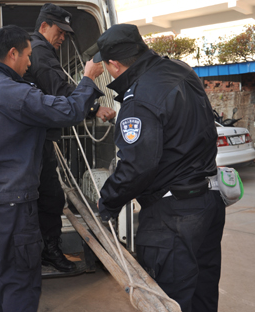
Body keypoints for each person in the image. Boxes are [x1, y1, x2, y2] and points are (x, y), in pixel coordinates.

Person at [0, 25, 104, 312]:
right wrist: (87, 79)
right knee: (20, 282)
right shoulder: (18, 94)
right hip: (12, 206)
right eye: (27, 55)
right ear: (12, 54)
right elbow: (70, 110)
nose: (30, 62)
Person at [95, 24, 226, 312]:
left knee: (169, 300)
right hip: (208, 202)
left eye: (107, 67)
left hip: (173, 216)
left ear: (114, 64)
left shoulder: (139, 97)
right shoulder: (181, 70)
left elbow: (137, 166)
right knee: (203, 294)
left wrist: (106, 203)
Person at [23, 3, 116, 272]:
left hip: (36, 139)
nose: (63, 37)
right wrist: (95, 105)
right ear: (43, 27)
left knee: (45, 197)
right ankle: (49, 252)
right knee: (50, 197)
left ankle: (43, 250)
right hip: (35, 142)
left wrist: (92, 106)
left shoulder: (39, 50)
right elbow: (60, 90)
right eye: (59, 30)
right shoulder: (39, 49)